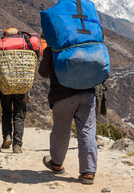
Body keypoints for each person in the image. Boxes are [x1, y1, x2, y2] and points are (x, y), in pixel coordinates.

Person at [38, 45, 98, 185]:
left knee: (61, 130)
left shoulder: (52, 48)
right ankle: (88, 172)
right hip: (88, 93)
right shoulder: (87, 43)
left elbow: (43, 72)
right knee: (87, 130)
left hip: (62, 95)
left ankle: (57, 165)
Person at [0, 27, 33, 154]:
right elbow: (28, 74)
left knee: (7, 112)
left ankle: (7, 136)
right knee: (19, 116)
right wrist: (28, 93)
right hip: (21, 89)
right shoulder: (24, 53)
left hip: (5, 89)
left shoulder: (2, 53)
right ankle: (17, 145)